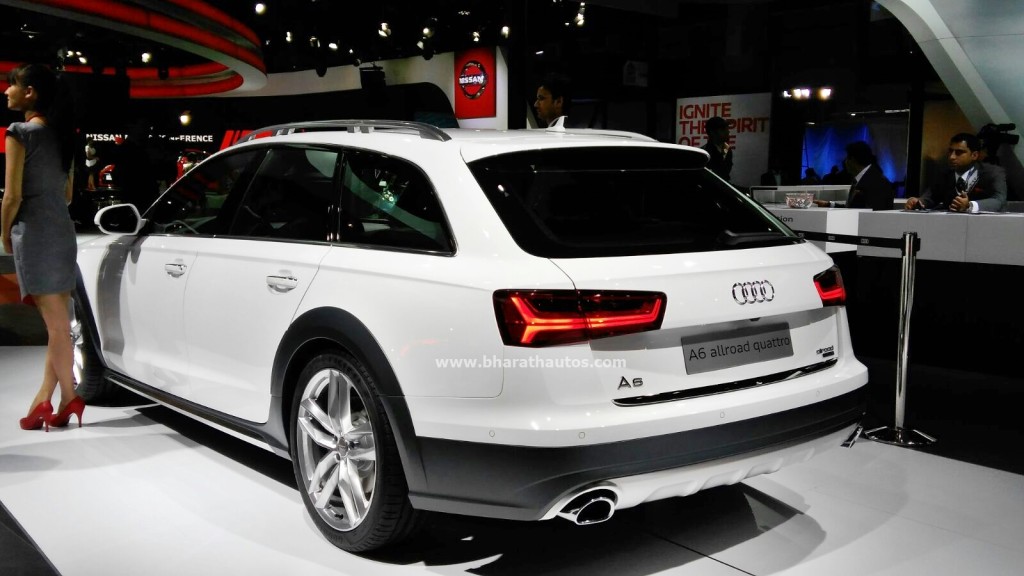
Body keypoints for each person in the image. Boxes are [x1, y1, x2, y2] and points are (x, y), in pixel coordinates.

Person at [2, 63, 84, 431]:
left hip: (35, 233)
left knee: (56, 329)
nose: (6, 91)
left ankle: (69, 397)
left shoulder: (20, 133)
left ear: (30, 92)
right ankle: (43, 400)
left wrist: (4, 232)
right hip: (62, 231)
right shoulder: (63, 136)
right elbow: (67, 195)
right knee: (59, 327)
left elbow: (12, 196)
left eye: (12, 85)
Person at [904, 133, 1007, 212]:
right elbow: (931, 197)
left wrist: (970, 205)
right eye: (950, 151)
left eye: (959, 152)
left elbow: (999, 200)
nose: (952, 157)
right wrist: (918, 202)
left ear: (974, 155)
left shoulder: (993, 173)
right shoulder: (944, 174)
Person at [814, 141, 894, 210]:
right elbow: (853, 209)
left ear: (852, 160)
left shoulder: (877, 182)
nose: (845, 162)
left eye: (846, 158)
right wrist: (829, 204)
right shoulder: (864, 179)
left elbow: (871, 213)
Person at [702, 116, 733, 181]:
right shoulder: (704, 153)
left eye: (727, 129)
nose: (728, 132)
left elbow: (725, 176)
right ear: (712, 132)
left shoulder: (726, 148)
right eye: (723, 129)